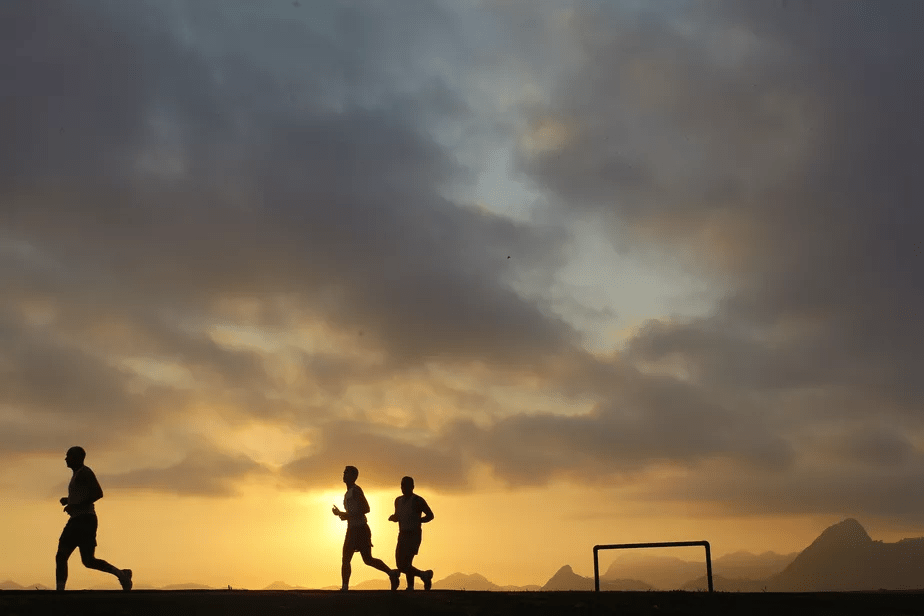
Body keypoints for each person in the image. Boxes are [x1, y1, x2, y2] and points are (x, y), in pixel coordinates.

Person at [56, 446, 132, 591]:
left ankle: (122, 575)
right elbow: (83, 495)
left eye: (69, 456)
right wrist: (69, 500)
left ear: (78, 457)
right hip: (76, 521)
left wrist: (75, 505)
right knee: (62, 556)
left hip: (85, 521)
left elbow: (98, 493)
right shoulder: (77, 474)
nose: (66, 459)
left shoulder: (85, 472)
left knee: (88, 560)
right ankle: (59, 592)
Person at [332, 466, 400, 591]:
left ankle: (391, 573)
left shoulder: (356, 490)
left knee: (367, 559)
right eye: (344, 472)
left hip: (361, 529)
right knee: (346, 558)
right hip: (351, 529)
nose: (344, 475)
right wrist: (341, 514)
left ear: (353, 476)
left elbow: (366, 509)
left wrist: (345, 514)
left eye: (346, 473)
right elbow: (352, 514)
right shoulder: (347, 494)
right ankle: (345, 587)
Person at [388, 476, 434, 590]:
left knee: (407, 562)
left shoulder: (418, 500)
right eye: (402, 485)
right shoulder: (398, 501)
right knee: (400, 564)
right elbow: (398, 515)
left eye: (406, 485)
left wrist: (419, 520)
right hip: (402, 534)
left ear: (412, 487)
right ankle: (423, 576)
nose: (403, 488)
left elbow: (430, 515)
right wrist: (394, 518)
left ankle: (411, 586)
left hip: (414, 534)